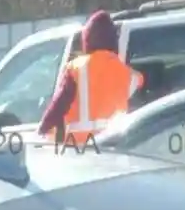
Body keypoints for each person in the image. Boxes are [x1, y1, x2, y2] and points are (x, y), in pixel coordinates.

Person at [39, 10, 143, 147]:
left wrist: (41, 131)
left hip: (77, 149)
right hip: (112, 147)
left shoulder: (75, 69)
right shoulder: (129, 75)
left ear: (87, 40)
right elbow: (141, 105)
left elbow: (58, 107)